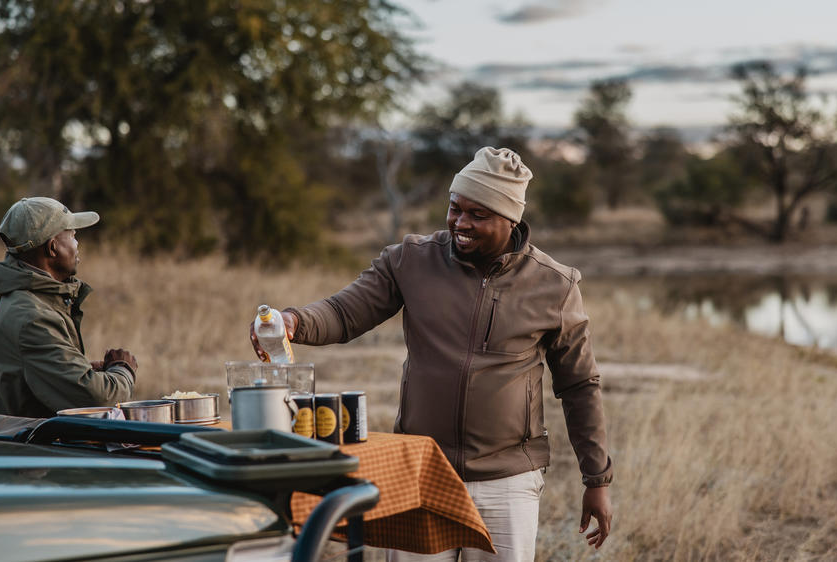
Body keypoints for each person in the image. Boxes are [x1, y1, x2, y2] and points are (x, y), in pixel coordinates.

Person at [251, 147, 613, 561]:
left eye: (478, 214)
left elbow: (580, 385)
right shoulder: (409, 261)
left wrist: (597, 480)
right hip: (421, 470)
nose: (461, 222)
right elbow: (343, 312)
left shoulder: (554, 286)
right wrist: (294, 320)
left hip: (507, 479)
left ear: (511, 219)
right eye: (455, 208)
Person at [0, 197, 137, 418]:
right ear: (53, 248)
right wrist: (123, 370)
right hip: (25, 450)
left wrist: (81, 369)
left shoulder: (27, 300)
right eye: (73, 235)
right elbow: (98, 398)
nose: (77, 244)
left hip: (22, 446)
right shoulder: (33, 318)